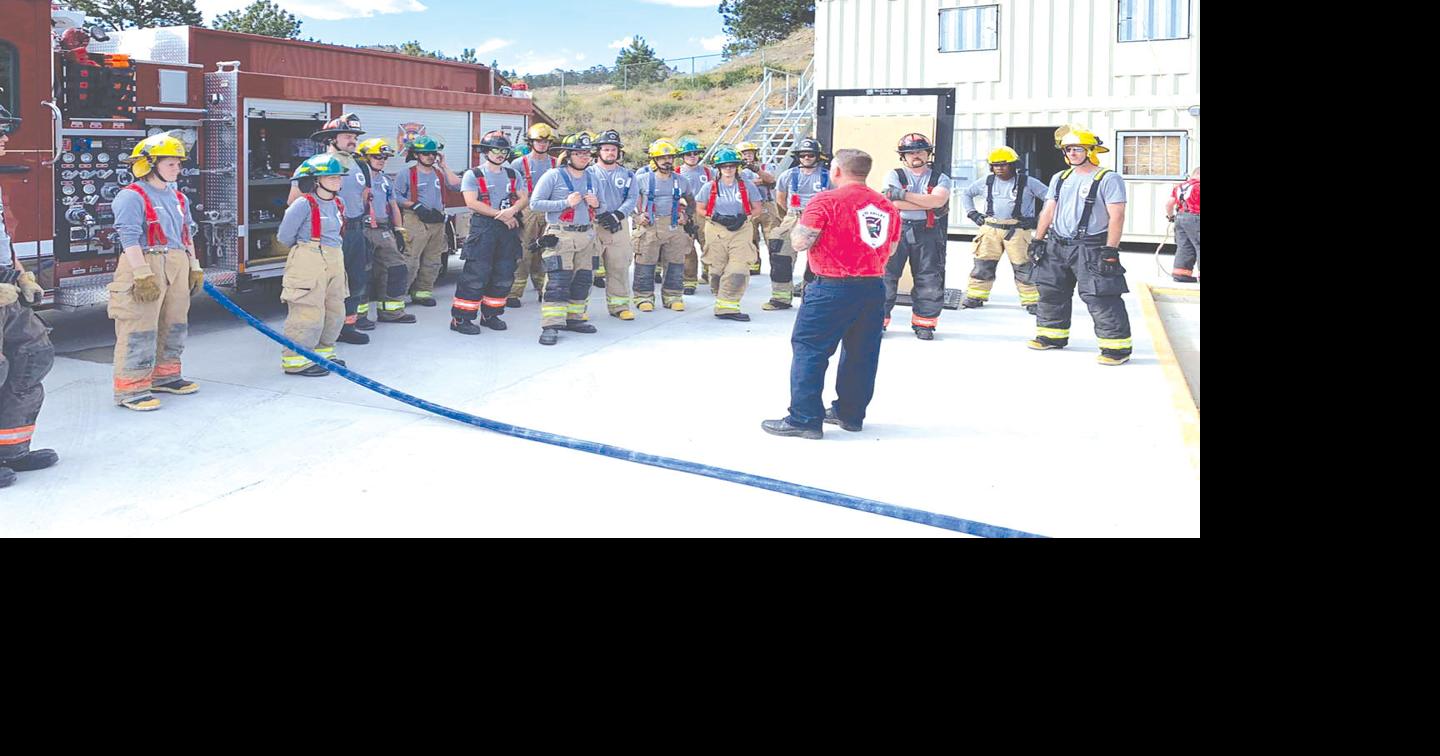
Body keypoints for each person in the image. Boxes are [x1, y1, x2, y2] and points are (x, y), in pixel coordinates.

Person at [762, 149, 900, 439]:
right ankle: (850, 414)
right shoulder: (886, 206)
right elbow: (892, 248)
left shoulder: (825, 200)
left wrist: (801, 225)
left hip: (832, 286)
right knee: (861, 353)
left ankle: (804, 419)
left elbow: (800, 242)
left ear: (836, 170)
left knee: (810, 349)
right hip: (873, 287)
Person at [108, 132, 204, 411]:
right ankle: (131, 389)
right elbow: (129, 237)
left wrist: (194, 266)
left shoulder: (179, 198)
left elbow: (187, 233)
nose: (178, 169)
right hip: (145, 260)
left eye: (178, 164)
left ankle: (166, 375)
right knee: (139, 325)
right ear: (149, 165)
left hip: (176, 261)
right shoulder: (131, 196)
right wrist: (140, 273)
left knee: (175, 322)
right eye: (171, 164)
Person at [1026, 126, 1132, 366]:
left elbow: (1117, 215)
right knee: (1051, 290)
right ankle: (1051, 335)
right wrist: (1038, 239)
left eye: (1078, 149)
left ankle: (1116, 347)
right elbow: (1049, 210)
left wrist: (1111, 249)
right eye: (1069, 149)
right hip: (1056, 243)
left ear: (1091, 151)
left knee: (1100, 294)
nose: (1072, 153)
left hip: (1091, 246)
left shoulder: (1108, 178)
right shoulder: (1060, 178)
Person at [0, 104, 58, 487]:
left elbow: (4, 236)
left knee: (32, 354)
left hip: (6, 285)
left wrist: (22, 275)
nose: (5, 137)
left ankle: (11, 449)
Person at [291, 113, 372, 345]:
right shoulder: (314, 166)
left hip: (355, 230)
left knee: (355, 280)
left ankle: (347, 326)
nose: (353, 141)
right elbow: (294, 201)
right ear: (331, 139)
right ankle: (322, 331)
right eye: (347, 136)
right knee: (325, 285)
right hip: (327, 237)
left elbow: (364, 198)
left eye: (355, 136)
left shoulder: (361, 166)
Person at [274, 154, 350, 376]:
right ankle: (296, 360)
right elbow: (285, 236)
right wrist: (309, 251)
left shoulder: (339, 203)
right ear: (316, 180)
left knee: (335, 309)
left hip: (335, 258)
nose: (337, 180)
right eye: (331, 176)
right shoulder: (303, 204)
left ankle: (324, 353)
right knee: (307, 311)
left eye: (339, 176)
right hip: (309, 259)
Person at [525, 133, 602, 345]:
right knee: (558, 281)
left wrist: (597, 205)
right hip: (561, 234)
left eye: (587, 153)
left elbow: (601, 205)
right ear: (568, 155)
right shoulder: (553, 176)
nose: (584, 157)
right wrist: (564, 203)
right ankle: (551, 325)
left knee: (583, 279)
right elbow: (535, 203)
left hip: (586, 235)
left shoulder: (593, 177)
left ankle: (574, 318)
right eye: (579, 153)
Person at [450, 130, 528, 335]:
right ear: (486, 151)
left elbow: (523, 197)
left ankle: (491, 314)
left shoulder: (513, 174)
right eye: (496, 149)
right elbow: (471, 202)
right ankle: (461, 319)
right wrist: (500, 215)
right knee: (476, 274)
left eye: (504, 150)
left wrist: (512, 211)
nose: (500, 154)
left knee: (503, 273)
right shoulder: (473, 174)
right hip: (484, 228)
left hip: (508, 228)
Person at [958, 146, 1048, 313]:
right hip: (990, 229)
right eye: (995, 165)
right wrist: (972, 213)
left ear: (1013, 165)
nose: (999, 168)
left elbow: (1050, 198)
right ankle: (975, 296)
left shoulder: (1028, 182)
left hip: (1018, 230)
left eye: (1003, 165)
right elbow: (967, 194)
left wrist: (1039, 219)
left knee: (1024, 266)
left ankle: (1032, 301)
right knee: (982, 264)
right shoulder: (987, 181)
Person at [881, 133, 951, 340]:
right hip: (897, 230)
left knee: (929, 277)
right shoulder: (894, 174)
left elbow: (937, 202)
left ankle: (925, 324)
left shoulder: (941, 177)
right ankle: (878, 321)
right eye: (910, 152)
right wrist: (925, 201)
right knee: (886, 277)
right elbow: (892, 203)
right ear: (903, 156)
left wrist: (902, 195)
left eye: (920, 151)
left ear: (928, 153)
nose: (915, 156)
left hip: (927, 231)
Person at [395, 134, 462, 307]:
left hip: (437, 221)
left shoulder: (439, 173)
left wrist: (444, 165)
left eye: (433, 153)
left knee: (433, 260)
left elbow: (457, 185)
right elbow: (395, 195)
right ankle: (399, 296)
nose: (430, 156)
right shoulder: (406, 174)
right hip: (415, 220)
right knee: (411, 259)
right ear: (416, 155)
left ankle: (422, 293)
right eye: (426, 153)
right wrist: (414, 205)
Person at [696, 147, 762, 321]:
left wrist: (744, 217)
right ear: (718, 168)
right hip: (716, 229)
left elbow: (757, 208)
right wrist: (715, 215)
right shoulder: (709, 187)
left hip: (741, 229)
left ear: (737, 167)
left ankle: (728, 307)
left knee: (738, 268)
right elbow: (700, 208)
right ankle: (722, 297)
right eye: (724, 166)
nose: (728, 169)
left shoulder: (747, 185)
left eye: (732, 165)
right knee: (717, 269)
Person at [355, 138, 415, 324]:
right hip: (361, 228)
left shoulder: (385, 180)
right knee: (360, 273)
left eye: (384, 157)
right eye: (377, 156)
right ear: (363, 157)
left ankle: (392, 312)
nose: (382, 160)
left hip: (382, 228)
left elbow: (394, 205)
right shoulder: (353, 178)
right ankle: (358, 316)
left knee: (396, 268)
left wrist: (398, 229)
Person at [631, 139, 695, 313]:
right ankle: (643, 297)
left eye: (670, 157)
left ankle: (673, 296)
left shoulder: (681, 181)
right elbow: (628, 201)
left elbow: (691, 201)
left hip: (674, 226)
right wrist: (637, 217)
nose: (667, 161)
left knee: (675, 263)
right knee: (645, 263)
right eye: (662, 158)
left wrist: (686, 215)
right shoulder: (641, 180)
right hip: (650, 226)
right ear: (654, 160)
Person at [768, 138, 830, 310]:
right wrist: (792, 216)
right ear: (798, 157)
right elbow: (780, 199)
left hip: (820, 220)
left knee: (818, 260)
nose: (807, 158)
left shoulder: (827, 177)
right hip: (794, 216)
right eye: (803, 155)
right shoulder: (788, 175)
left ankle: (811, 298)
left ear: (818, 157)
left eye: (811, 155)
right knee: (780, 252)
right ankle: (781, 298)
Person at [507, 123, 558, 307]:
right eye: (538, 141)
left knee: (547, 253)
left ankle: (544, 290)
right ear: (531, 142)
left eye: (545, 141)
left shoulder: (555, 163)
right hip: (527, 210)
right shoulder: (519, 164)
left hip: (550, 211)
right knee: (524, 251)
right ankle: (514, 293)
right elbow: (510, 191)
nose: (542, 144)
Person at [590, 129, 639, 320]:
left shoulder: (628, 175)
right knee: (586, 268)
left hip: (618, 226)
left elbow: (632, 197)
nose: (610, 153)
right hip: (594, 225)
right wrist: (601, 214)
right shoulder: (588, 173)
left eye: (613, 149)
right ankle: (577, 310)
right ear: (598, 152)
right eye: (606, 149)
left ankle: (619, 306)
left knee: (619, 266)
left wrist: (618, 214)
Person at [736, 141, 778, 276]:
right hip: (747, 206)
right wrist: (760, 181)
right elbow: (738, 184)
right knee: (750, 237)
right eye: (744, 153)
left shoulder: (765, 166)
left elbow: (771, 180)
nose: (748, 156)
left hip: (766, 204)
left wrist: (757, 171)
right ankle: (754, 264)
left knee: (772, 237)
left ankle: (776, 266)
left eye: (750, 153)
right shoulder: (736, 170)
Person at [1166, 166, 1200, 283]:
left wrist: (1171, 217)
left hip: (1180, 217)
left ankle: (1181, 274)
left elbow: (1169, 204)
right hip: (1196, 218)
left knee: (1185, 245)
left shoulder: (1180, 187)